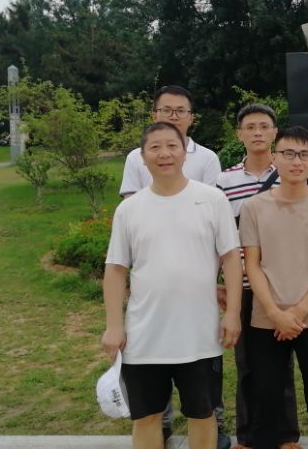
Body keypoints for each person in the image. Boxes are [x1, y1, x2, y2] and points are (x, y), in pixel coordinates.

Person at [102, 122, 243, 449]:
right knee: (147, 416)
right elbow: (116, 269)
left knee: (202, 413)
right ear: (142, 157)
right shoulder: (129, 209)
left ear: (184, 152)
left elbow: (231, 259)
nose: (164, 153)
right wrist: (113, 325)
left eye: (172, 146)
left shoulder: (212, 199)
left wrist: (233, 313)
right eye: (155, 147)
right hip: (144, 335)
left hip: (200, 334)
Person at [238, 126, 308, 449]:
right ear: (275, 157)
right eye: (288, 153)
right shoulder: (254, 207)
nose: (296, 161)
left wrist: (299, 310)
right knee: (266, 400)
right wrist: (275, 312)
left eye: (304, 154)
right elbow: (252, 264)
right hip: (266, 320)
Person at [216, 104, 301, 449]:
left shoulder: (290, 174)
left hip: (283, 285)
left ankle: (286, 436)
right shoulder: (224, 181)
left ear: (275, 133)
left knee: (283, 363)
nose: (257, 133)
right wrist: (219, 281)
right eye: (250, 127)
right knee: (247, 364)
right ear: (239, 134)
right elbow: (217, 237)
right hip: (244, 286)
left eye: (264, 126)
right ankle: (248, 437)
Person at [120, 85, 221, 196]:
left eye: (181, 111)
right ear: (154, 116)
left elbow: (212, 202)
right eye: (166, 110)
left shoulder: (208, 158)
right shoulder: (135, 157)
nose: (174, 117)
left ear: (191, 119)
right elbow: (130, 201)